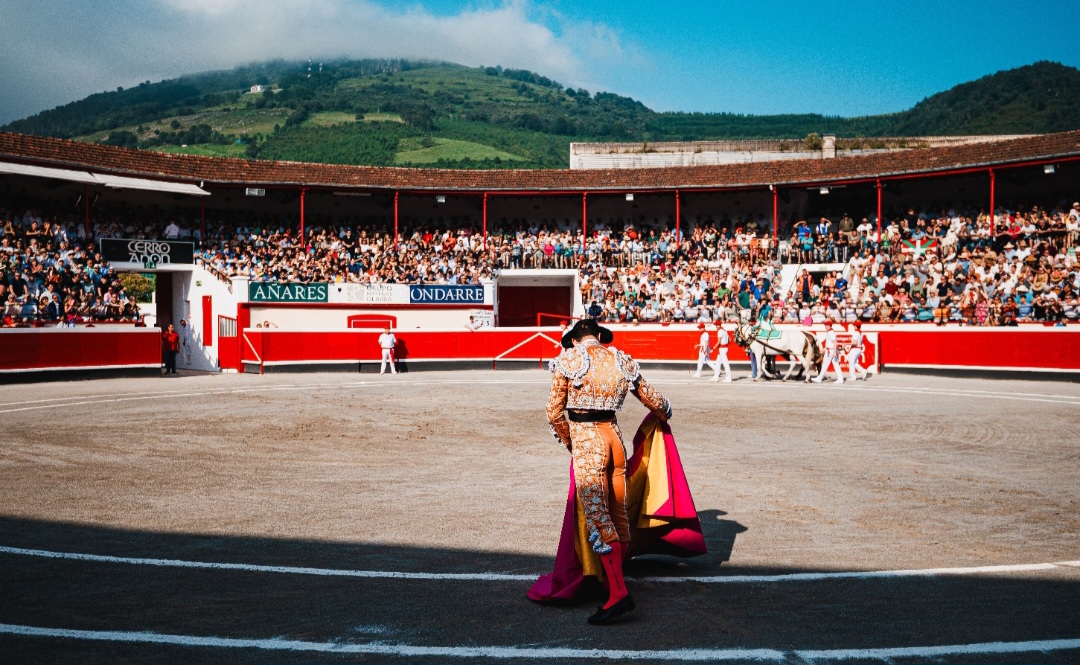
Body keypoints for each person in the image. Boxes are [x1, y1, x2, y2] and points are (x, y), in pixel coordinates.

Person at [545, 318, 672, 625]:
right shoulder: (621, 359)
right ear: (600, 336)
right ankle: (611, 582)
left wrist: (572, 443)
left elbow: (553, 412)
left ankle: (617, 593)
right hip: (615, 441)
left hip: (588, 441)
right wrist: (663, 415)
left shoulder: (569, 359)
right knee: (618, 515)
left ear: (575, 340)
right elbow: (658, 402)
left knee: (599, 518)